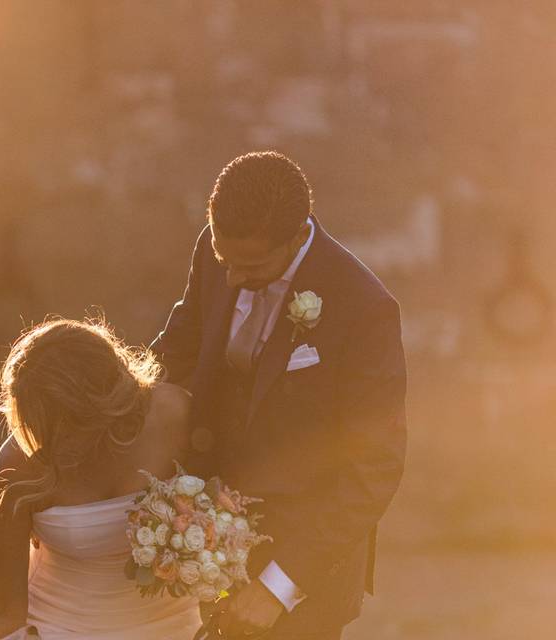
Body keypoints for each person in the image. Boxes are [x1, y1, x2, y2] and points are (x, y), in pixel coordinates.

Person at [151, 151, 407, 639]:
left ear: (296, 237)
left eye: (251, 266)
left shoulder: (364, 307)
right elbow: (175, 357)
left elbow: (374, 467)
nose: (232, 278)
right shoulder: (218, 248)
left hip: (303, 565)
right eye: (225, 262)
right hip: (202, 544)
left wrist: (276, 586)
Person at [0, 318, 203, 639]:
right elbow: (3, 606)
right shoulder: (19, 464)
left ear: (105, 405)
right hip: (59, 629)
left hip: (178, 629)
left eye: (65, 423)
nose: (52, 443)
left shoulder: (174, 417)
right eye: (38, 424)